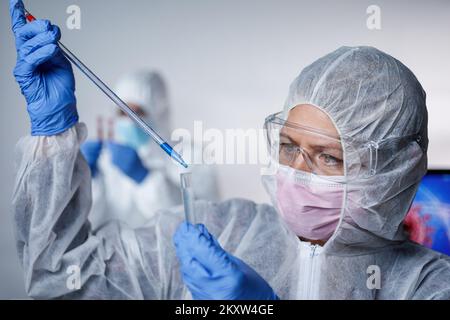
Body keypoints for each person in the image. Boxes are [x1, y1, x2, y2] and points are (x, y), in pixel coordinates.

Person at [9, 0, 450, 300]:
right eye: (287, 146)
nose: (296, 171)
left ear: (392, 171)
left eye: (328, 157)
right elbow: (61, 280)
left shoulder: (427, 285)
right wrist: (54, 132)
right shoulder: (220, 233)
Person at [80, 71, 220, 229]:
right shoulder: (105, 158)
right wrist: (88, 182)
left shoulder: (191, 156)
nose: (129, 120)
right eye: (122, 111)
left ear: (159, 112)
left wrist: (146, 178)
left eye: (138, 111)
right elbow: (87, 225)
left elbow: (205, 219)